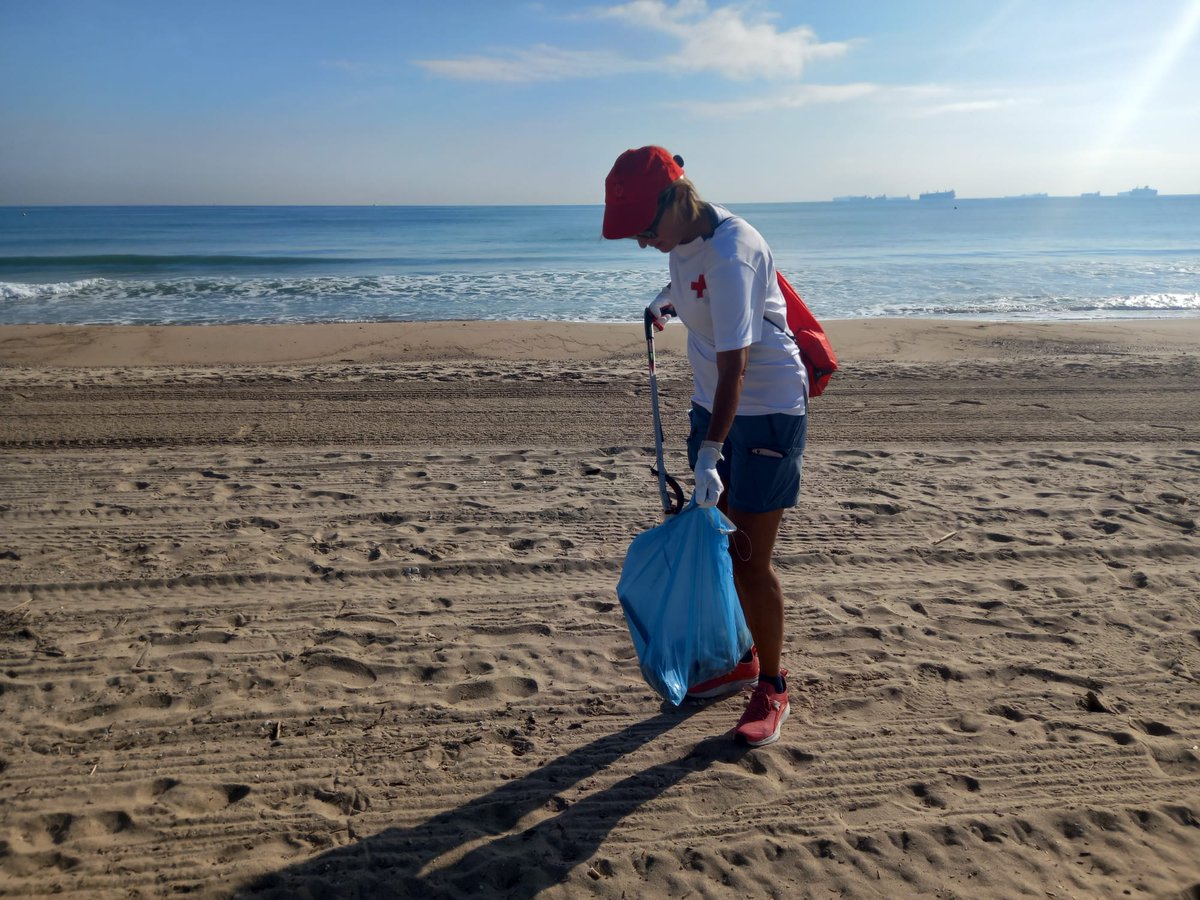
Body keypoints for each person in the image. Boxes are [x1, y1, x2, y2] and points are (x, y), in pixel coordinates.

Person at [602, 146, 809, 747]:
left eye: (644, 228)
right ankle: (740, 658)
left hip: (765, 409)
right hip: (712, 406)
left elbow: (736, 366)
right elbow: (696, 289)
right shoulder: (687, 239)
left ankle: (772, 685)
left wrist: (711, 454)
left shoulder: (732, 252)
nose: (643, 241)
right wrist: (668, 301)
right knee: (719, 547)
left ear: (673, 201)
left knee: (749, 558)